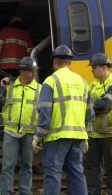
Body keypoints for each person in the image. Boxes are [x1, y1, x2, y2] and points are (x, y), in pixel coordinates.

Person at [33, 45, 95, 195]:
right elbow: (90, 113)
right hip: (78, 136)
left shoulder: (51, 81)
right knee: (76, 172)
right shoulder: (83, 81)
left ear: (55, 62)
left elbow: (45, 112)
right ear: (70, 62)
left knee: (53, 173)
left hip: (57, 137)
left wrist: (38, 137)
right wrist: (86, 135)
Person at [0, 57, 41, 195]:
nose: (34, 74)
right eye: (32, 71)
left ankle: (25, 193)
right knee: (8, 166)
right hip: (10, 132)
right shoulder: (9, 86)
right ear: (23, 71)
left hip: (30, 133)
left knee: (27, 166)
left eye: (34, 71)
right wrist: (1, 87)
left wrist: (40, 134)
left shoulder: (40, 89)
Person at [84, 53, 112, 195]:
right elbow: (93, 105)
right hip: (94, 132)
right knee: (91, 168)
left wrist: (94, 106)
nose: (91, 70)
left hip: (111, 132)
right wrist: (98, 106)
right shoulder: (93, 85)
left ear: (103, 67)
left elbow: (106, 104)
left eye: (94, 67)